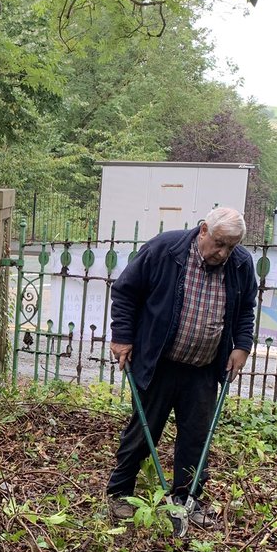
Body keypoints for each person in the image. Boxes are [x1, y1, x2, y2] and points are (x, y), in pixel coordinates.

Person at [106, 207, 257, 525]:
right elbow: (125, 292)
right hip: (159, 362)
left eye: (231, 246)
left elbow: (245, 310)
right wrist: (121, 337)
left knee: (195, 438)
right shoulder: (165, 249)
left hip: (203, 368)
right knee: (143, 430)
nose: (223, 252)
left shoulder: (241, 264)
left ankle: (187, 499)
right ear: (203, 230)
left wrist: (241, 346)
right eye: (219, 243)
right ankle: (120, 494)